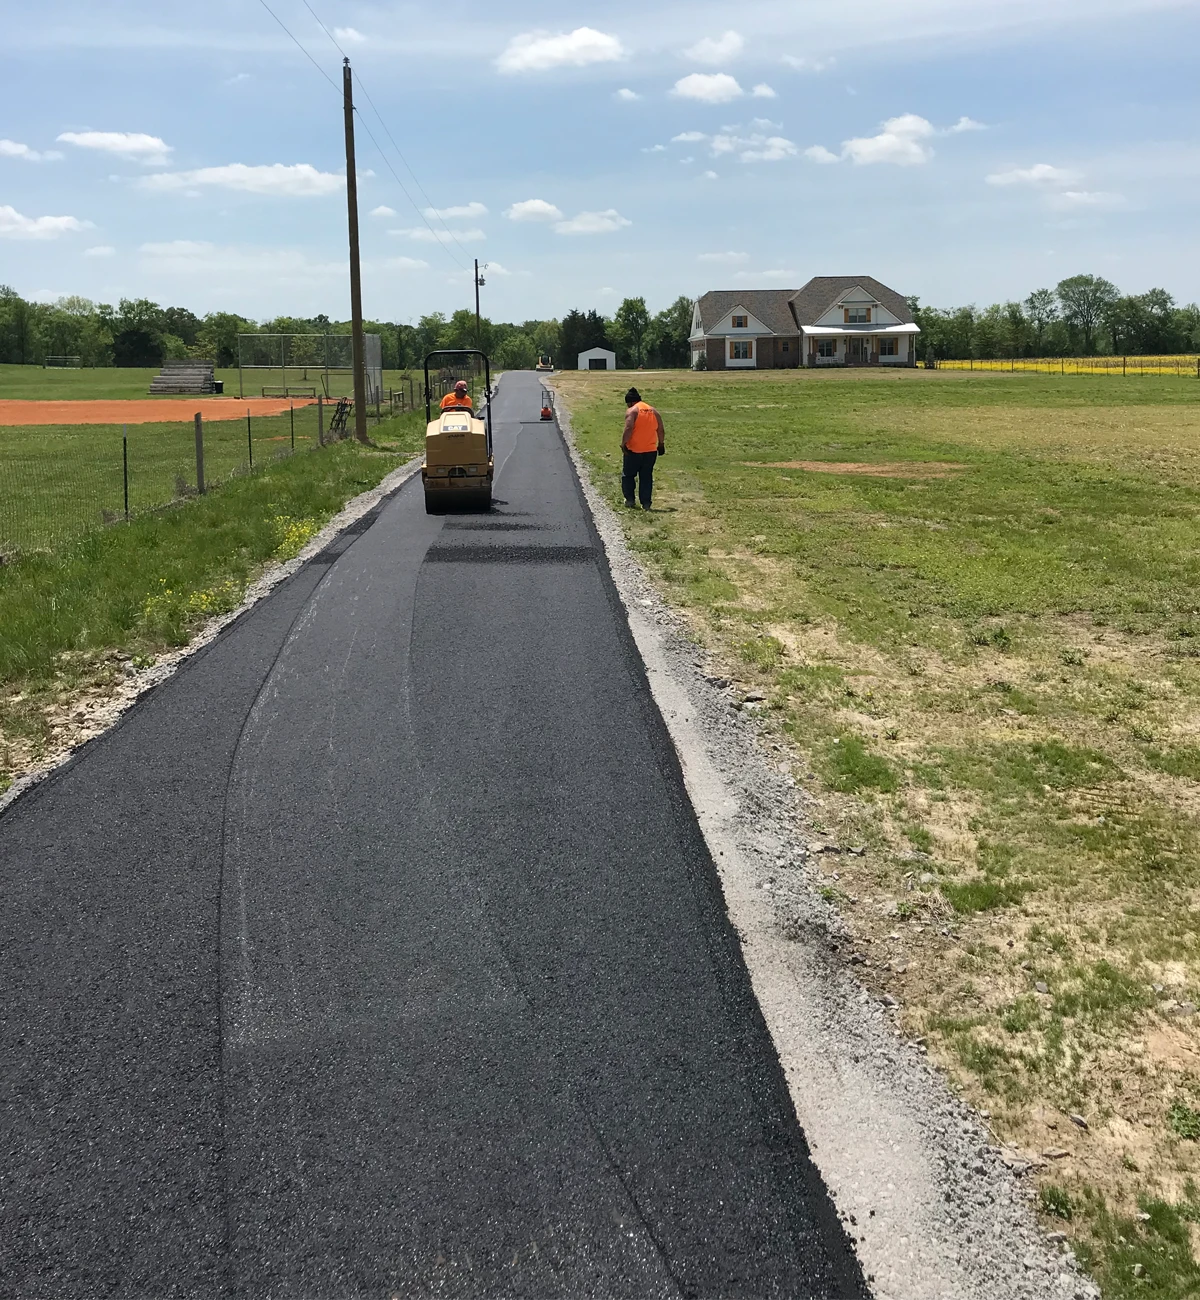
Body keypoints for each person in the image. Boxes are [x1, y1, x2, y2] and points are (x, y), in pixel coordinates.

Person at [621, 387, 665, 510]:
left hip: (634, 450)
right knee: (646, 477)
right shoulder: (653, 411)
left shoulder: (632, 411)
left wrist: (623, 444)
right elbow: (660, 429)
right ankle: (646, 503)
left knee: (628, 475)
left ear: (630, 402)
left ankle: (630, 500)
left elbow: (628, 429)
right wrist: (661, 444)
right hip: (650, 451)